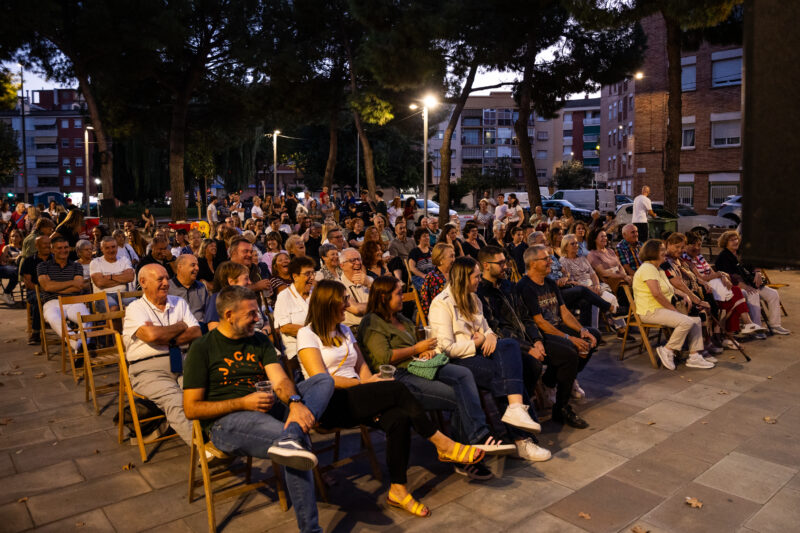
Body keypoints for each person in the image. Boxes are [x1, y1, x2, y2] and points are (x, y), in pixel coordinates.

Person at [297, 279, 485, 518]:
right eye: (343, 300)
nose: (348, 305)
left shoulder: (344, 330)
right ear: (327, 304)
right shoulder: (307, 334)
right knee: (397, 388)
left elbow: (362, 367)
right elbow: (322, 380)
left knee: (399, 417)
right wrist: (365, 385)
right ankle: (442, 443)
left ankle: (398, 490)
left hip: (357, 395)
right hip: (330, 402)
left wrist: (372, 381)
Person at [183, 285, 333, 533]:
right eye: (251, 313)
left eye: (258, 312)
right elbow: (191, 409)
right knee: (294, 446)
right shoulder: (203, 348)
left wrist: (294, 403)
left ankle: (290, 436)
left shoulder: (259, 340)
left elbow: (280, 380)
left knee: (323, 381)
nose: (258, 318)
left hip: (269, 408)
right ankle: (310, 529)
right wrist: (243, 403)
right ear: (229, 315)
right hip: (227, 421)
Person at [358, 276, 518, 479]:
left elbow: (415, 347)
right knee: (458, 395)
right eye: (398, 293)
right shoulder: (372, 322)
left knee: (463, 375)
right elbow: (383, 358)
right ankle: (466, 453)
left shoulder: (402, 318)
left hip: (419, 366)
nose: (403, 297)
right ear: (383, 297)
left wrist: (424, 352)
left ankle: (477, 437)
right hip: (398, 377)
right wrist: (416, 349)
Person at [429, 256, 543, 437]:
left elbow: (486, 328)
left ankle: (516, 410)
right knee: (506, 373)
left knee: (510, 345)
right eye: (476, 276)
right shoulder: (442, 303)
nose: (480, 280)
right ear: (463, 278)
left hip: (479, 353)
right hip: (458, 361)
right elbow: (446, 349)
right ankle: (523, 439)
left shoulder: (474, 299)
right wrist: (478, 342)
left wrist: (489, 336)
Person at [517, 245, 601, 426]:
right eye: (546, 259)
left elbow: (564, 312)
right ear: (533, 263)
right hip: (540, 335)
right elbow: (539, 322)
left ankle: (554, 379)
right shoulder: (525, 287)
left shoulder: (549, 283)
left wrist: (581, 330)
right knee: (570, 351)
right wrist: (570, 338)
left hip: (556, 327)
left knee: (593, 335)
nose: (551, 262)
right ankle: (561, 408)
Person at [123, 264, 202, 445]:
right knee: (176, 401)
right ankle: (203, 448)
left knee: (203, 393)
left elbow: (196, 332)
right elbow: (152, 336)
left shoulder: (178, 302)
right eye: (160, 279)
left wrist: (165, 338)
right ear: (143, 282)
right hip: (148, 370)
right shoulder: (135, 308)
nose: (166, 283)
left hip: (182, 362)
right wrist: (181, 325)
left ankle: (217, 437)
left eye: (167, 278)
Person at [632, 240, 714, 370]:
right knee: (686, 322)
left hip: (661, 309)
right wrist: (672, 309)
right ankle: (667, 350)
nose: (665, 252)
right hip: (650, 311)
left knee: (696, 320)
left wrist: (685, 295)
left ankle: (694, 357)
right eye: (662, 250)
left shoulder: (658, 269)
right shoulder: (648, 268)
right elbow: (656, 294)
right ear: (653, 252)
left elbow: (670, 288)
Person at [682, 232, 756, 344]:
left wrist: (722, 276)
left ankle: (730, 333)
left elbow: (712, 272)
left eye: (699, 245)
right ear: (686, 246)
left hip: (713, 284)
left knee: (735, 296)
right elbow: (700, 278)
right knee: (735, 294)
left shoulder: (699, 256)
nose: (697, 248)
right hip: (704, 287)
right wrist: (720, 274)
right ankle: (733, 332)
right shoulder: (685, 259)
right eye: (693, 245)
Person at [714, 231, 789, 335]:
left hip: (752, 283)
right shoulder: (723, 257)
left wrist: (758, 272)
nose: (735, 241)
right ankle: (756, 328)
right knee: (753, 294)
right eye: (732, 240)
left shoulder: (742, 253)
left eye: (736, 239)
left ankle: (775, 325)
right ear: (725, 242)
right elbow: (729, 278)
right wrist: (745, 286)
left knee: (773, 294)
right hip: (737, 287)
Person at [37, 236, 89, 352]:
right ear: (52, 250)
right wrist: (71, 283)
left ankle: (79, 348)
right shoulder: (43, 266)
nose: (63, 250)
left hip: (73, 301)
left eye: (66, 247)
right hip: (53, 303)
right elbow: (47, 286)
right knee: (53, 318)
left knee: (86, 318)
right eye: (59, 248)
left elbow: (78, 286)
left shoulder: (76, 265)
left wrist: (55, 287)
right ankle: (79, 346)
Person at [560, 234, 621, 331]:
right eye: (572, 244)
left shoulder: (582, 258)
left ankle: (622, 329)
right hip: (581, 289)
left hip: (594, 286)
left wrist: (597, 285)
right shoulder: (563, 262)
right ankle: (594, 331)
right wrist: (590, 289)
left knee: (612, 298)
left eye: (576, 243)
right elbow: (570, 282)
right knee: (593, 303)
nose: (576, 245)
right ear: (565, 247)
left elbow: (593, 274)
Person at [274, 256, 316, 359]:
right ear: (295, 276)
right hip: (297, 348)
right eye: (307, 274)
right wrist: (315, 331)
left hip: (321, 343)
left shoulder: (316, 293)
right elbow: (285, 328)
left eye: (313, 273)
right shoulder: (284, 296)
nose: (312, 277)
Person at [90, 237, 136, 310]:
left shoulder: (124, 260)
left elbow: (130, 277)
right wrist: (122, 279)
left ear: (117, 247)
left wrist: (111, 277)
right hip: (103, 296)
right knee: (114, 309)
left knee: (136, 306)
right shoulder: (95, 262)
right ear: (102, 249)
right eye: (107, 248)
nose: (111, 250)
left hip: (123, 294)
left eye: (113, 247)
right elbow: (100, 283)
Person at [587, 228, 631, 296]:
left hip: (620, 278)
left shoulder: (610, 251)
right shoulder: (592, 254)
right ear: (595, 239)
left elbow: (620, 266)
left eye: (605, 236)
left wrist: (624, 275)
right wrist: (623, 276)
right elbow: (603, 273)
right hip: (608, 281)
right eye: (602, 236)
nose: (605, 238)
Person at [168, 254, 209, 322]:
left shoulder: (201, 287)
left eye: (197, 265)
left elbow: (208, 312)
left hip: (201, 325)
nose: (197, 268)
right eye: (193, 265)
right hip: (179, 326)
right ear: (180, 267)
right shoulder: (168, 287)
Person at [338, 248, 371, 330]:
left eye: (359, 259)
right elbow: (357, 309)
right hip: (354, 330)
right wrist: (380, 305)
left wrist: (369, 285)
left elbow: (387, 299)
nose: (358, 263)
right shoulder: (338, 285)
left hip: (375, 325)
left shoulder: (369, 280)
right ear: (342, 265)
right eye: (352, 260)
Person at [419, 242, 455, 317]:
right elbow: (425, 303)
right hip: (440, 315)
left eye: (454, 256)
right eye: (451, 256)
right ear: (440, 259)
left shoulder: (456, 274)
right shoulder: (431, 277)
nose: (454, 259)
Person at [0, 229, 23, 304]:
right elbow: (3, 259)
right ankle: (6, 293)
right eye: (12, 236)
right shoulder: (7, 247)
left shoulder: (23, 248)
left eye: (16, 236)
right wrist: (15, 259)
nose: (14, 238)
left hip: (22, 267)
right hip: (10, 267)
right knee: (17, 272)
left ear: (20, 238)